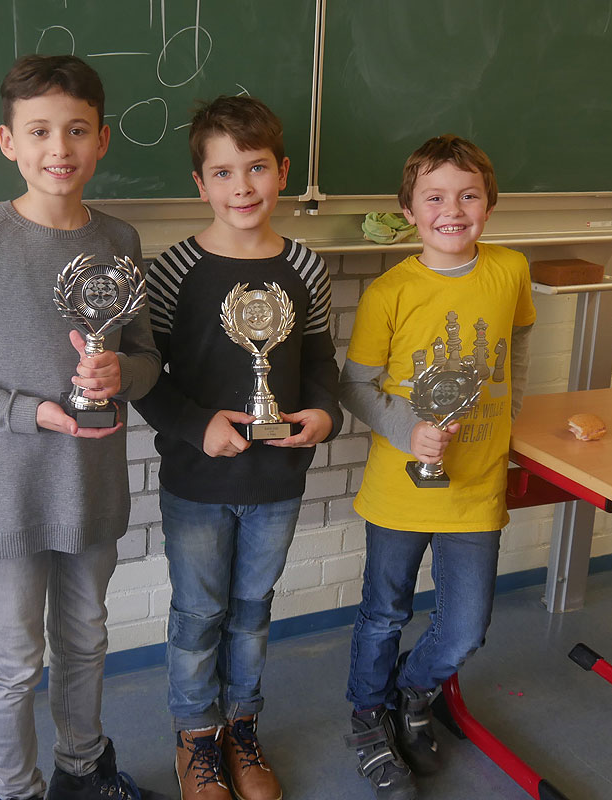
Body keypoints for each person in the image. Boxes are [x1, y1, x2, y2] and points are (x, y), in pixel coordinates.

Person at [0, 54, 160, 800]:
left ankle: (82, 770)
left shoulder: (120, 241)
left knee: (85, 641)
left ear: (102, 140)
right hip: (12, 494)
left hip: (93, 490)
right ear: (8, 141)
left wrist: (121, 375)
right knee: (15, 660)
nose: (59, 148)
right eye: (40, 130)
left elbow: (148, 362)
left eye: (77, 130)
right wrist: (27, 413)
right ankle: (14, 790)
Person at [133, 95, 343, 800]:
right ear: (200, 184)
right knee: (198, 614)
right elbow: (145, 379)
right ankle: (196, 736)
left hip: (276, 480)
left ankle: (242, 727)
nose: (242, 187)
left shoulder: (305, 267)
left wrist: (325, 413)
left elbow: (320, 361)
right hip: (197, 482)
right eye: (223, 173)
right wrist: (197, 427)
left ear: (282, 171)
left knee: (253, 610)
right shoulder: (173, 270)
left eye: (256, 168)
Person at [340, 135, 536, 800]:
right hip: (399, 488)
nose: (452, 210)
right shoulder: (390, 291)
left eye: (468, 195)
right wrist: (410, 431)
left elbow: (518, 340)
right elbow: (354, 386)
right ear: (408, 209)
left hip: (476, 486)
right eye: (434, 197)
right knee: (384, 613)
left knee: (465, 627)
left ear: (488, 204)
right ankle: (368, 716)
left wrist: (511, 411)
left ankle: (412, 692)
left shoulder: (510, 270)